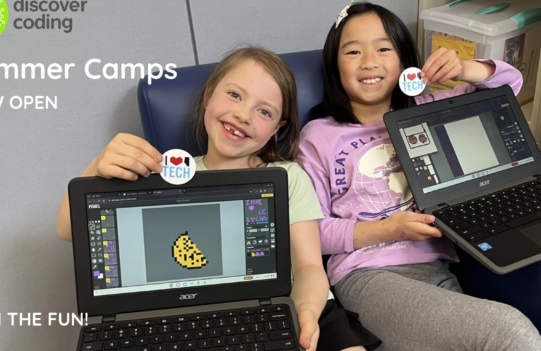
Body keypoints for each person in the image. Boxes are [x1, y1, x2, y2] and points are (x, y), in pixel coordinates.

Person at [55, 47, 380, 351]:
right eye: (235, 94)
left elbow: (309, 266)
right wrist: (96, 168)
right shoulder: (165, 175)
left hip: (297, 305)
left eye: (264, 111)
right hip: (192, 315)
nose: (243, 114)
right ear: (209, 93)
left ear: (276, 128)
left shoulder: (288, 177)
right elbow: (68, 230)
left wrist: (305, 312)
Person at [297, 2, 541, 351]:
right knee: (509, 331)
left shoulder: (430, 107)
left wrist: (465, 67)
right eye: (353, 51)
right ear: (334, 65)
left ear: (403, 59)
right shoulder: (318, 135)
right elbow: (313, 233)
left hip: (436, 268)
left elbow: (511, 85)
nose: (369, 60)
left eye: (384, 48)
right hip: (366, 274)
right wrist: (390, 228)